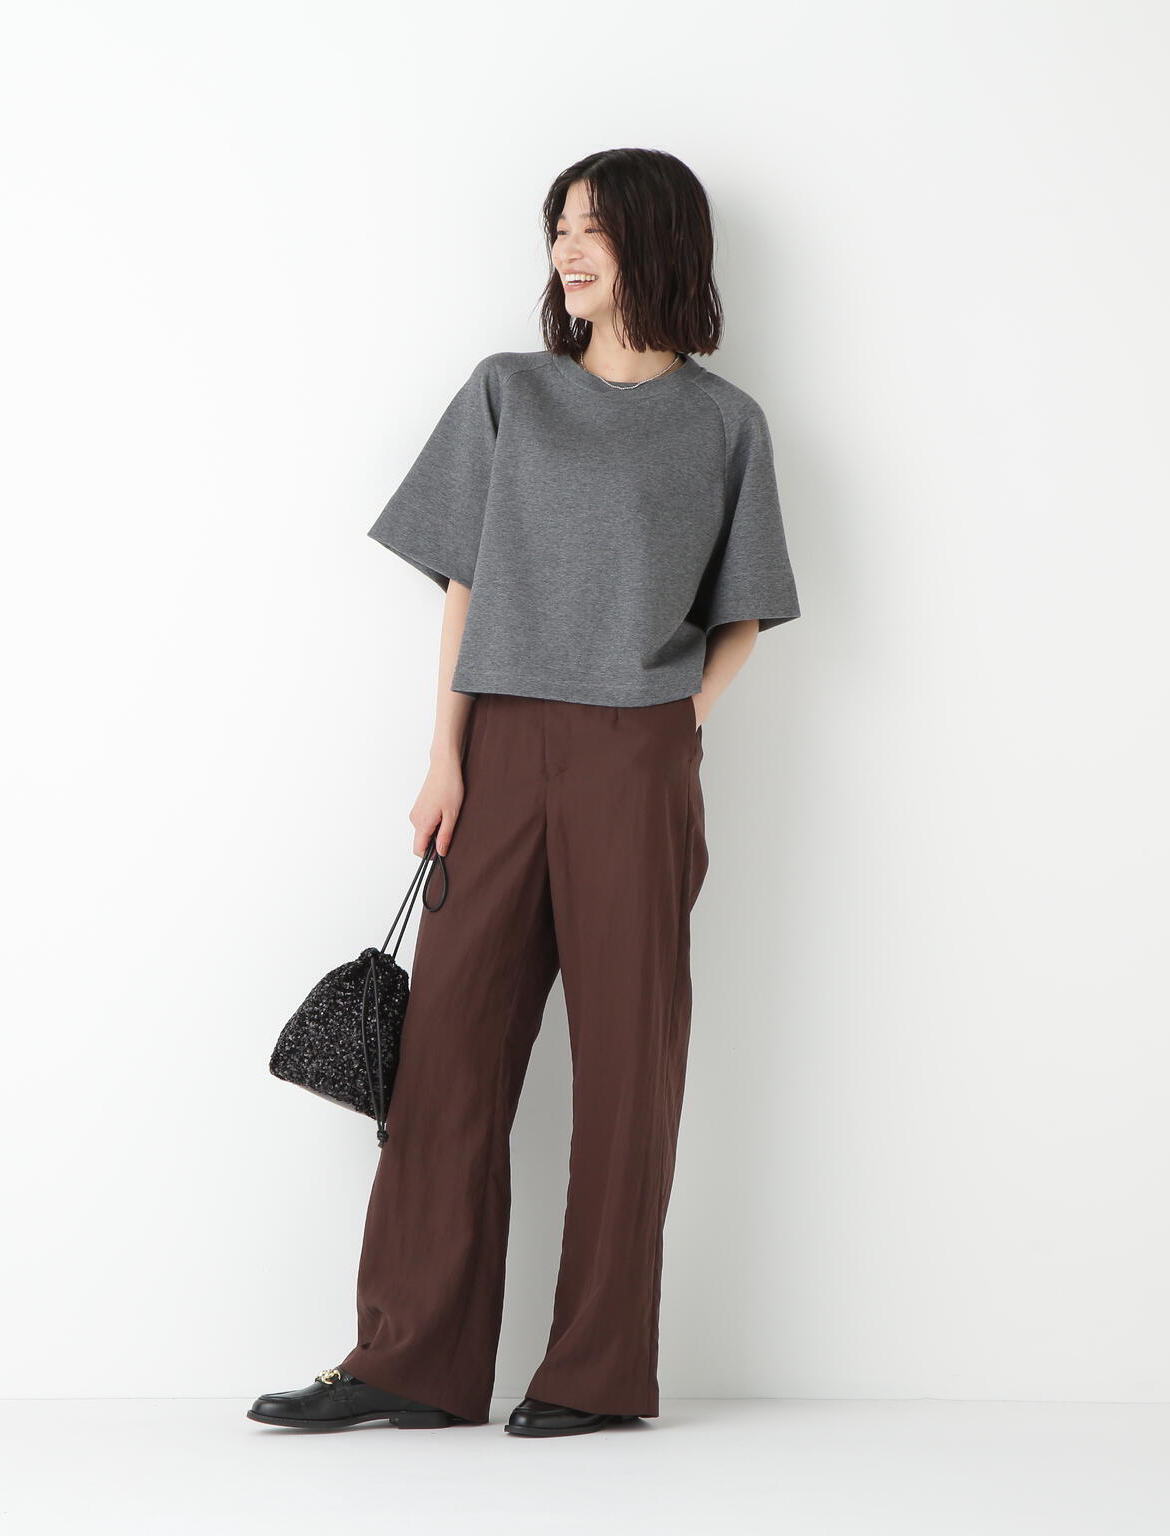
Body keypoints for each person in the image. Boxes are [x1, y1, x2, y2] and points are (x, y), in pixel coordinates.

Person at [248, 147, 800, 1439]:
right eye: (559, 226)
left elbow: (745, 613)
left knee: (628, 1064)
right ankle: (409, 1359)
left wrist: (674, 723)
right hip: (496, 744)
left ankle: (596, 1375)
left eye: (594, 225)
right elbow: (466, 584)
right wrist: (446, 756)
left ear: (659, 239)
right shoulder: (509, 391)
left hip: (636, 756)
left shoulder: (726, 424)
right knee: (447, 1049)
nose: (568, 247)